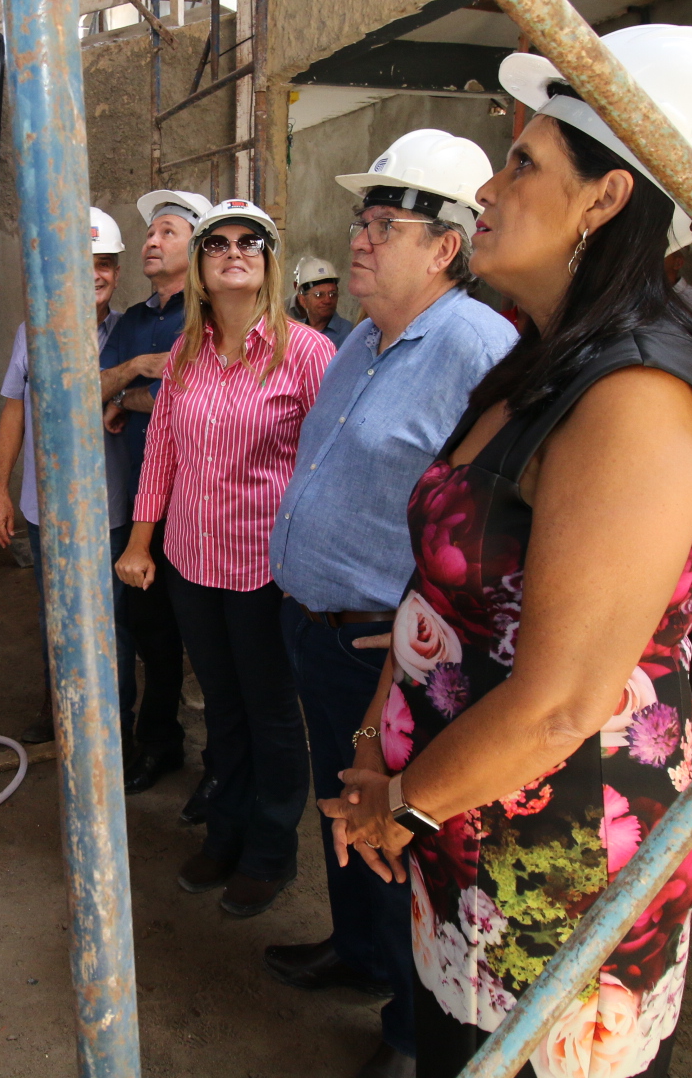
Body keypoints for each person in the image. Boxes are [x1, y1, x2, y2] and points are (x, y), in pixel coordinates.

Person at [320, 24, 692, 1078]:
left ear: (606, 199)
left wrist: (402, 800)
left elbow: (563, 703)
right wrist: (380, 747)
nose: (490, 187)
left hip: (550, 866)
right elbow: (440, 596)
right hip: (459, 818)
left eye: (523, 162)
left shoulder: (636, 393)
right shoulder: (548, 359)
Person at [268, 129, 517, 1078]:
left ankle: (414, 1032)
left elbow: (487, 518)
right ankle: (360, 953)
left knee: (405, 834)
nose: (359, 240)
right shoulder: (360, 341)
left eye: (384, 225)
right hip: (320, 627)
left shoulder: (477, 349)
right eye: (361, 221)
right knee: (343, 808)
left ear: (446, 246)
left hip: (388, 646)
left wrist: (416, 629)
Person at [116, 198, 335, 917]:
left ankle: (270, 850)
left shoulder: (307, 352)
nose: (234, 252)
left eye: (250, 242)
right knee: (222, 705)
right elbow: (162, 452)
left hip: (266, 571)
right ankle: (226, 830)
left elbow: (328, 465)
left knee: (270, 712)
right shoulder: (187, 351)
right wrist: (140, 542)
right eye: (218, 243)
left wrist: (315, 567)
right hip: (191, 562)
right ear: (202, 266)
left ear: (269, 262)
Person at [0, 207, 133, 746]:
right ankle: (60, 713)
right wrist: (0, 490)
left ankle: (113, 733)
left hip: (110, 511)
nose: (94, 273)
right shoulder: (32, 332)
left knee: (111, 624)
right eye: (81, 262)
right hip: (44, 509)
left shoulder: (128, 334)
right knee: (56, 615)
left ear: (117, 272)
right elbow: (14, 410)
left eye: (105, 263)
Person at [99, 188, 213, 798]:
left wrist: (131, 393)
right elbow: (95, 390)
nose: (151, 241)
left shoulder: (213, 315)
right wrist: (137, 373)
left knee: (212, 639)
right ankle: (160, 741)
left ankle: (223, 764)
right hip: (145, 507)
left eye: (168, 231)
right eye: (149, 232)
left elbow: (193, 398)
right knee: (153, 633)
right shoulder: (135, 322)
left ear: (196, 248)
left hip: (202, 508)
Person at [291, 256, 355, 350]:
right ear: (302, 300)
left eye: (332, 294)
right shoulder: (294, 333)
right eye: (318, 295)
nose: (327, 300)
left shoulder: (351, 334)